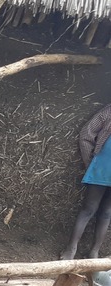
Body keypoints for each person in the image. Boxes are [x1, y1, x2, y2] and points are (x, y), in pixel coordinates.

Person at [62, 102, 111, 260]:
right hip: (103, 166)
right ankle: (71, 248)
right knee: (89, 208)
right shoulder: (109, 111)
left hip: (101, 166)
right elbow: (86, 133)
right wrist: (90, 161)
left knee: (106, 211)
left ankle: (94, 252)